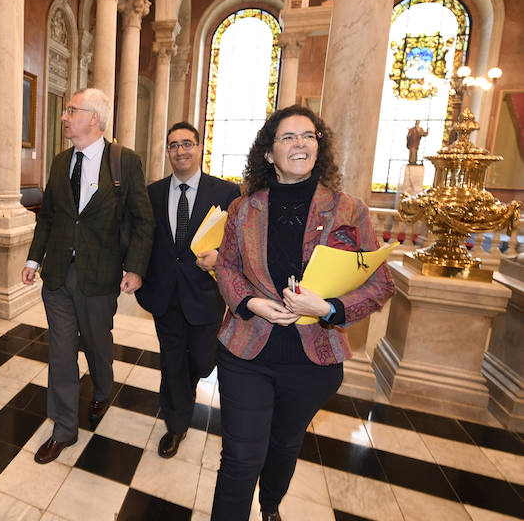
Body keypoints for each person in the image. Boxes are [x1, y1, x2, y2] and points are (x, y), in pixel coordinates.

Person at [211, 105, 395, 521]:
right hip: (247, 352)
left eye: (308, 136)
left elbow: (381, 283)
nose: (300, 143)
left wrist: (327, 308)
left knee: (284, 444)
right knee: (240, 458)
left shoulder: (350, 210)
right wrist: (251, 302)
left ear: (319, 147)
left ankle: (271, 505)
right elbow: (226, 266)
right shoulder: (245, 208)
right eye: (288, 137)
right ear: (268, 153)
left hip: (313, 360)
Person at [22, 88, 154, 464]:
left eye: (70, 111)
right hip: (59, 275)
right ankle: (63, 428)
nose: (64, 117)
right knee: (61, 353)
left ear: (93, 118)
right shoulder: (61, 161)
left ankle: (102, 388)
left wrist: (136, 268)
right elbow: (49, 216)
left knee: (97, 342)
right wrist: (34, 259)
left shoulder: (123, 161)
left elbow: (144, 220)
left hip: (100, 274)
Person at [135, 122, 239, 459]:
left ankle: (187, 387)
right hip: (165, 295)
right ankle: (176, 423)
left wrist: (221, 257)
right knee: (172, 362)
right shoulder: (152, 192)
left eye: (187, 144)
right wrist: (135, 272)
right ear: (168, 151)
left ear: (199, 148)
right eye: (173, 145)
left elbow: (239, 243)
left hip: (205, 296)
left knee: (203, 361)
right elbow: (144, 239)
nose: (180, 151)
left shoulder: (226, 193)